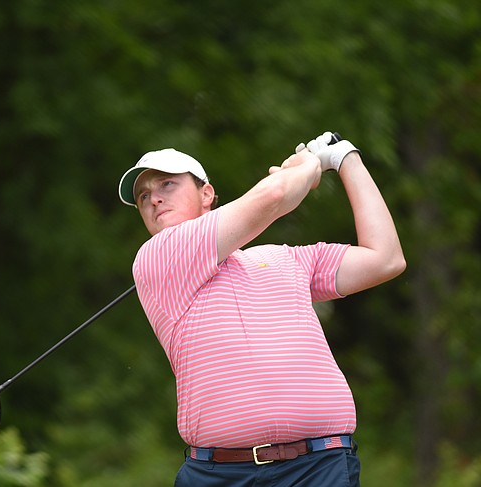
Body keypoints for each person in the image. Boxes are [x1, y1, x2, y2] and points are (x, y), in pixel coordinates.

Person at [117, 132, 406, 487]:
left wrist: (346, 158)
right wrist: (311, 164)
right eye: (143, 195)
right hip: (221, 474)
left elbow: (386, 259)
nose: (154, 198)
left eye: (166, 184)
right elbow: (274, 194)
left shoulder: (285, 258)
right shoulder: (158, 256)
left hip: (319, 468)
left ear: (206, 194)